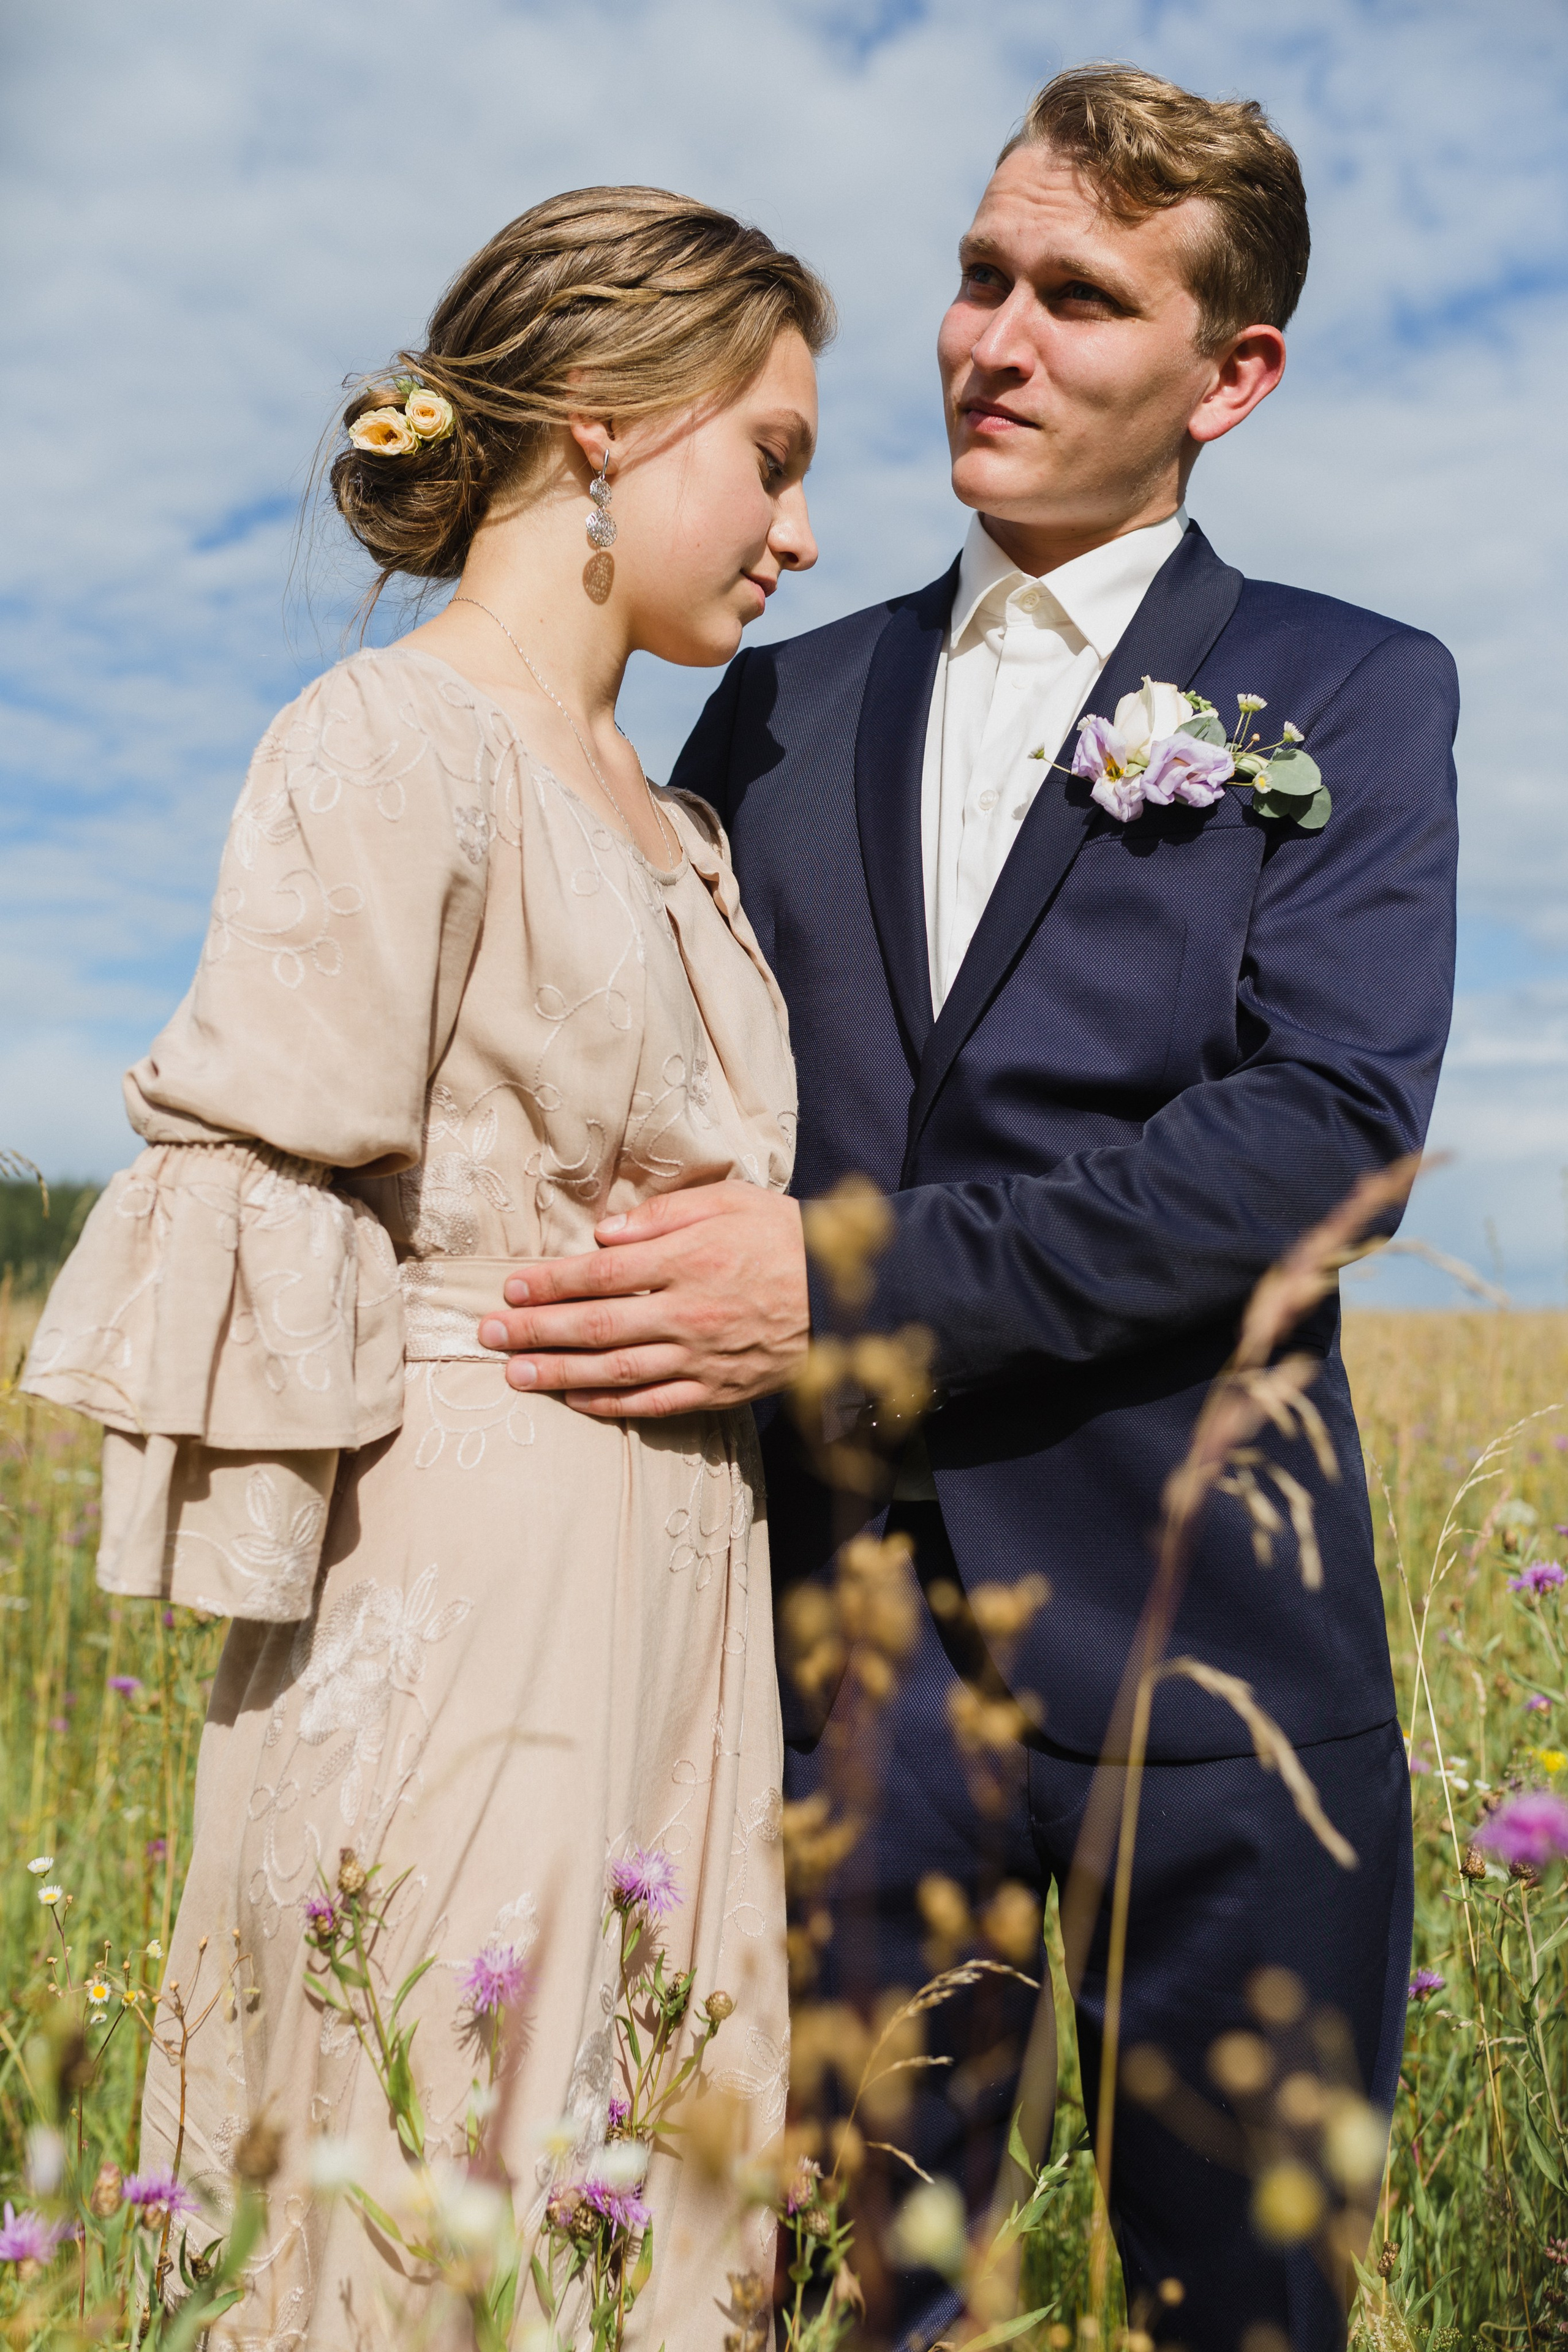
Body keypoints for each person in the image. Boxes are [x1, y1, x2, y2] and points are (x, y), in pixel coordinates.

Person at [478, 70, 1460, 2352]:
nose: (991, 340)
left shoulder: (1347, 693)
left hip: (1216, 1681)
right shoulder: (780, 705)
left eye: (1080, 298)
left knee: (1252, 2312)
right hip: (826, 1685)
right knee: (835, 2305)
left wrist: (837, 1291)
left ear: (1234, 376)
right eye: (981, 276)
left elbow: (1329, 1133)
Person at [24, 186, 831, 2346]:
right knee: (442, 2169)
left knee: (634, 2169)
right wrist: (294, 1701)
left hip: (693, 1557)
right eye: (773, 451)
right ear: (601, 426)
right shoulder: (388, 742)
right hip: (467, 1548)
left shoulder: (682, 821)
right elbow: (266, 1174)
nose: (801, 526)